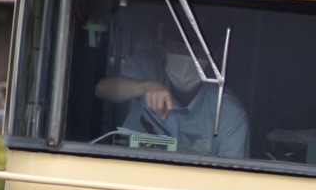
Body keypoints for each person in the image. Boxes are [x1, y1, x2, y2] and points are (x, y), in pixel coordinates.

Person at [95, 27, 249, 160]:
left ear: (211, 58)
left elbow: (231, 179)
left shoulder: (228, 114)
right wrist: (145, 86)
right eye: (179, 47)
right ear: (163, 49)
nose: (187, 57)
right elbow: (102, 89)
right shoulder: (148, 68)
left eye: (196, 51)